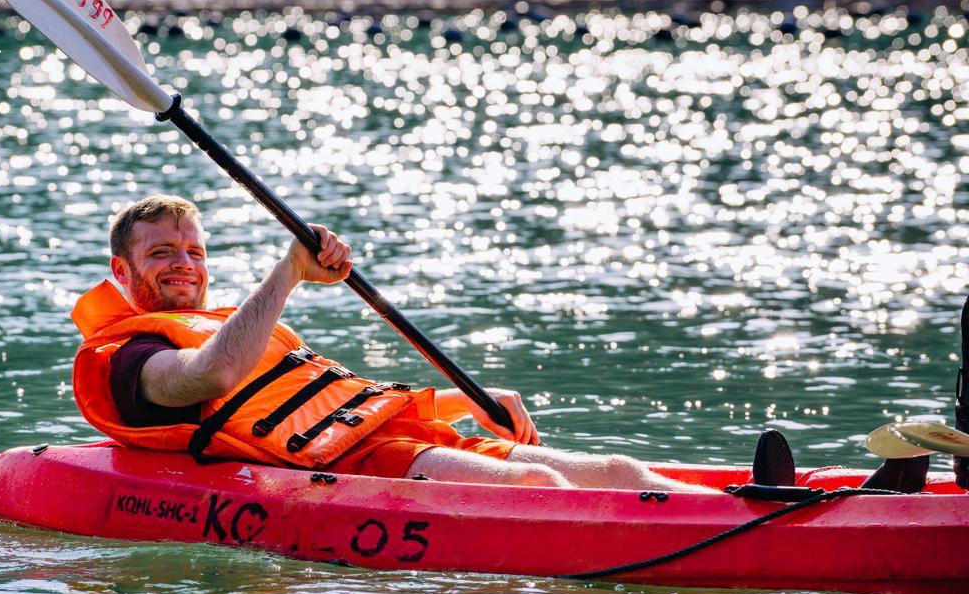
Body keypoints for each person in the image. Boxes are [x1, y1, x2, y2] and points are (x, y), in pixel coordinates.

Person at [71, 194, 717, 492]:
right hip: (349, 471)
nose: (184, 264)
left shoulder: (229, 323)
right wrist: (290, 269)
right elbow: (211, 378)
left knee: (618, 472)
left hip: (396, 438)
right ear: (121, 272)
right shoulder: (128, 358)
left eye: (194, 251)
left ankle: (756, 508)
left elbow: (335, 401)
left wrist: (461, 401)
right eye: (161, 252)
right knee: (533, 480)